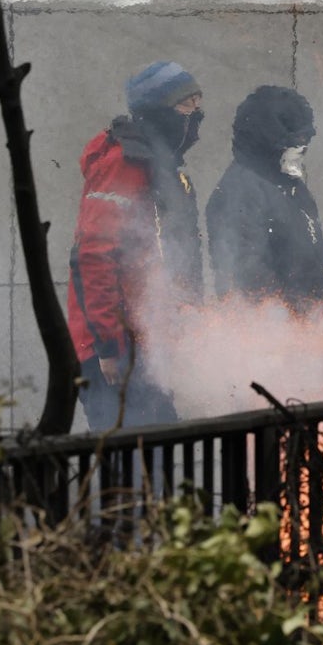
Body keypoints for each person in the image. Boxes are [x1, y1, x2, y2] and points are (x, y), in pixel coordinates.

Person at [67, 60, 205, 431]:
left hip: (147, 342)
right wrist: (110, 348)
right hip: (116, 349)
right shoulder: (124, 163)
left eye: (197, 102)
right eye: (185, 105)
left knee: (157, 457)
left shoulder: (162, 166)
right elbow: (94, 255)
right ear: (158, 110)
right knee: (130, 468)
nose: (196, 114)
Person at [206, 85, 323, 313]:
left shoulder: (289, 185)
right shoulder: (241, 192)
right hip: (278, 336)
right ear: (268, 138)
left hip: (314, 330)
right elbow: (248, 280)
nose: (303, 146)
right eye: (296, 138)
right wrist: (293, 329)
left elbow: (318, 257)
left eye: (306, 137)